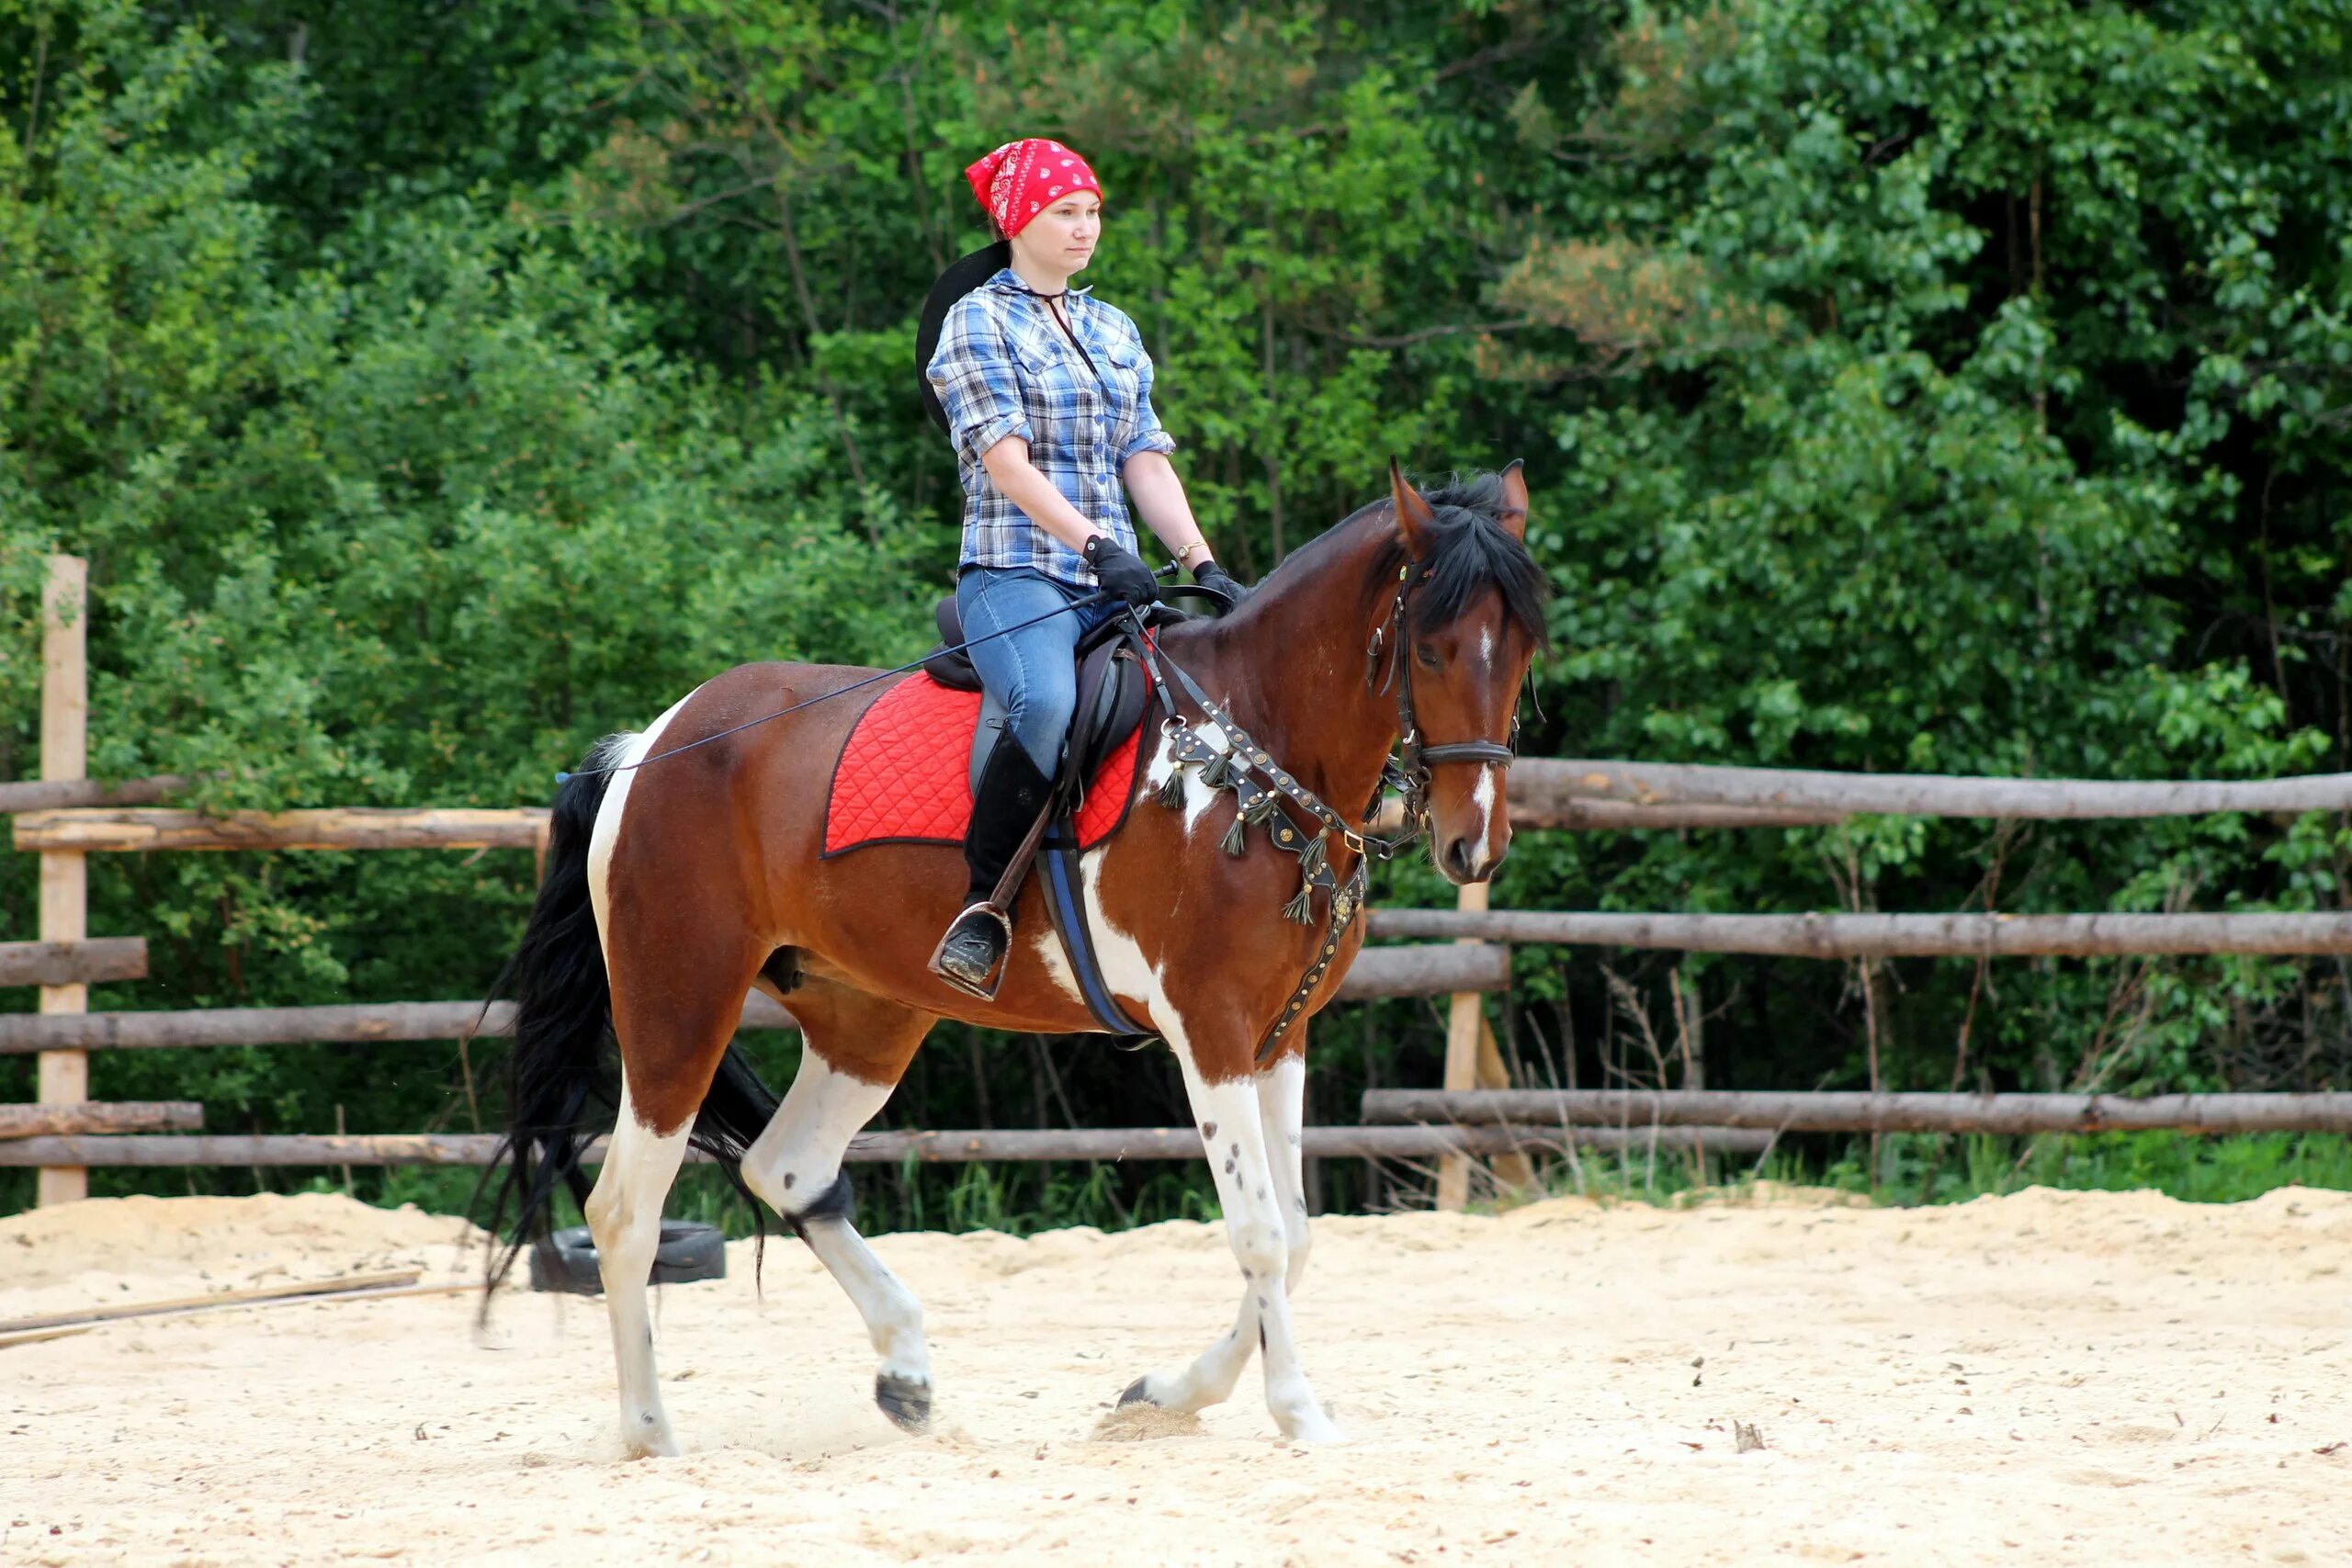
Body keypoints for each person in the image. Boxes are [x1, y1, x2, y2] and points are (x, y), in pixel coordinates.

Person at [922, 136, 1245, 999]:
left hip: (1117, 585)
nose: (1085, 228)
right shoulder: (977, 322)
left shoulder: (1112, 327)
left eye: (1092, 211)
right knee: (1045, 700)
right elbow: (1007, 463)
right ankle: (982, 907)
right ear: (1016, 218)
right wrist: (1097, 547)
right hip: (1015, 575)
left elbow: (1144, 458)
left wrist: (1201, 562)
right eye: (1066, 212)